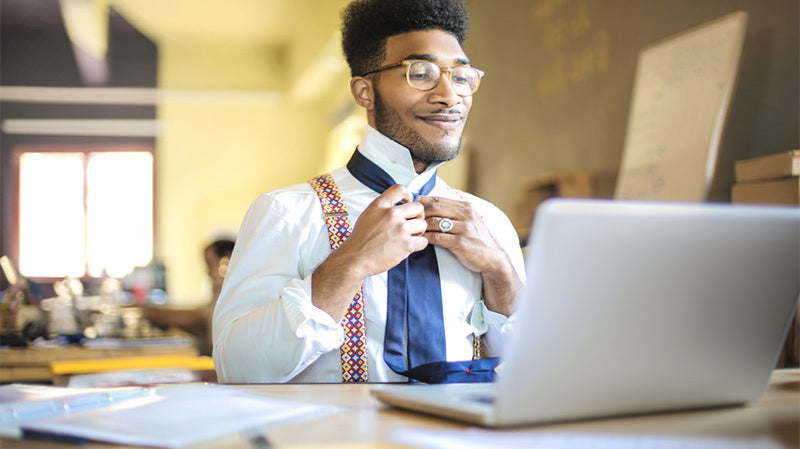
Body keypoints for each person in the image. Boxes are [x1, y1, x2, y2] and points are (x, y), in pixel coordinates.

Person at [213, 0, 524, 383]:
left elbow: (534, 369)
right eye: (420, 73)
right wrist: (350, 263)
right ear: (364, 91)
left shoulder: (490, 222)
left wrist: (500, 272)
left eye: (461, 77)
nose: (449, 95)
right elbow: (235, 368)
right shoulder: (287, 212)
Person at [146, 239, 234, 356]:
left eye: (209, 265)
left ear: (226, 263)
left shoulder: (232, 298)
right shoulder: (222, 297)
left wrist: (149, 313)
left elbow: (197, 316)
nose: (208, 274)